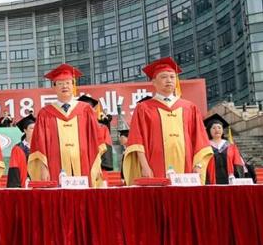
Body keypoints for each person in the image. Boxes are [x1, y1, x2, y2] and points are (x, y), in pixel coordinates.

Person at [122, 57, 212, 185]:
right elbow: (137, 140)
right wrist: (144, 166)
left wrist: (198, 166)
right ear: (154, 82)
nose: (169, 80)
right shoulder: (144, 108)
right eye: (164, 77)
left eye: (172, 77)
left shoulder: (190, 107)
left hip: (186, 168)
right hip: (154, 166)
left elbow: (199, 139)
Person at [28, 64, 106, 187]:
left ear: (73, 85)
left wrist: (96, 165)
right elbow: (39, 143)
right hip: (54, 166)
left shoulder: (85, 110)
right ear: (54, 87)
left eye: (68, 83)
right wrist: (43, 168)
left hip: (84, 164)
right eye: (60, 83)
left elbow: (95, 139)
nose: (64, 86)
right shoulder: (45, 113)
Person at [203, 114, 245, 185]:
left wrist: (238, 179)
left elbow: (238, 163)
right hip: (211, 181)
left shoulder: (231, 146)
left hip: (230, 180)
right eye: (213, 128)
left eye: (219, 127)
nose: (217, 130)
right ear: (209, 130)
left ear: (222, 130)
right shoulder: (205, 146)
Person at [78, 94, 114, 171]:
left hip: (96, 164)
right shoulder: (73, 125)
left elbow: (107, 144)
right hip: (78, 163)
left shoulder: (102, 128)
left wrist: (104, 164)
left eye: (89, 107)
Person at [7, 114, 35, 188]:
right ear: (25, 130)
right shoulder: (17, 149)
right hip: (24, 188)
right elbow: (14, 170)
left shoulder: (40, 148)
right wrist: (16, 190)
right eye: (31, 128)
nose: (35, 130)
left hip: (39, 187)